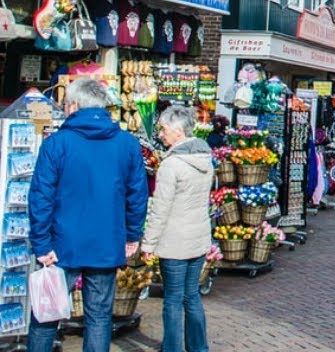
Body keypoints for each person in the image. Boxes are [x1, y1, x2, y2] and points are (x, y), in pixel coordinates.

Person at [28, 78, 148, 352]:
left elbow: (41, 197)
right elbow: (137, 194)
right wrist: (132, 234)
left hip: (62, 241)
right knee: (99, 316)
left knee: (47, 314)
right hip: (106, 239)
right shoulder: (127, 144)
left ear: (73, 106)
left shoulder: (57, 143)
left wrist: (41, 243)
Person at [142, 106, 213, 352]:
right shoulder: (205, 159)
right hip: (198, 237)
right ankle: (198, 347)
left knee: (172, 299)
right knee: (191, 296)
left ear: (178, 131)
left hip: (174, 241)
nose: (161, 134)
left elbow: (161, 209)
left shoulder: (172, 165)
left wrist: (149, 243)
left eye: (164, 129)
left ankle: (172, 348)